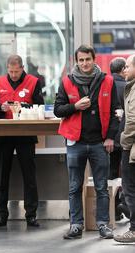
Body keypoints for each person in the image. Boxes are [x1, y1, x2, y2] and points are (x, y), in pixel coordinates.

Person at [54, 45, 119, 240]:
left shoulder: (107, 81)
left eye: (87, 59)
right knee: (75, 186)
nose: (84, 64)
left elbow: (117, 112)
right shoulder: (67, 82)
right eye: (81, 60)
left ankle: (103, 224)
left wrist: (110, 137)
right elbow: (58, 110)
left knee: (101, 186)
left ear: (94, 59)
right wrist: (75, 106)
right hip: (75, 142)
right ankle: (76, 225)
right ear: (76, 61)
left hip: (100, 142)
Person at [0, 55, 44, 228]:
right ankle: (1, 215)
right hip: (3, 135)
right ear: (7, 68)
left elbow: (40, 107)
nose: (13, 75)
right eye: (10, 71)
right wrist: (0, 108)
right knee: (1, 176)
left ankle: (31, 215)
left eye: (16, 71)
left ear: (22, 68)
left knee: (29, 176)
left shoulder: (34, 82)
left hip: (26, 135)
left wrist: (23, 106)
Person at [114, 54, 135, 243]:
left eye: (128, 66)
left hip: (132, 147)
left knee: (130, 188)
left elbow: (133, 121)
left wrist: (124, 142)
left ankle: (134, 229)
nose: (125, 70)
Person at [109, 57, 127, 180]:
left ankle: (112, 199)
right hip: (125, 135)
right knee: (126, 171)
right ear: (122, 69)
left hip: (107, 136)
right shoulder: (128, 87)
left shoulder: (105, 86)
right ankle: (124, 198)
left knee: (111, 171)